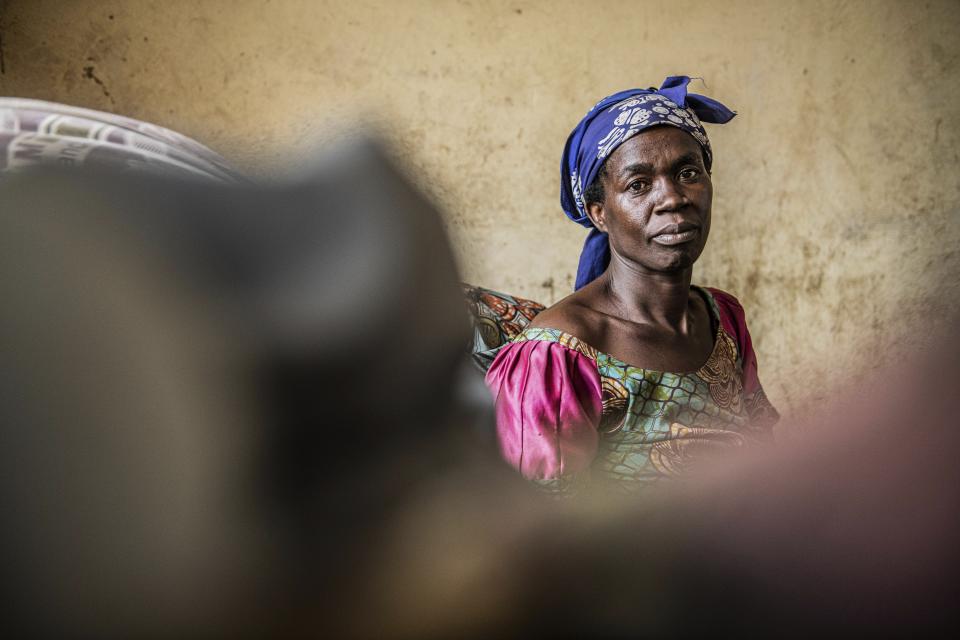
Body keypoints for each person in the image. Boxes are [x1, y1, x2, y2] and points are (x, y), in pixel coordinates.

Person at [485, 76, 778, 493]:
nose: (673, 198)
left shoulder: (722, 318)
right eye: (638, 185)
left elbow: (764, 447)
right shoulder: (556, 357)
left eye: (688, 172)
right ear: (600, 213)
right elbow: (541, 532)